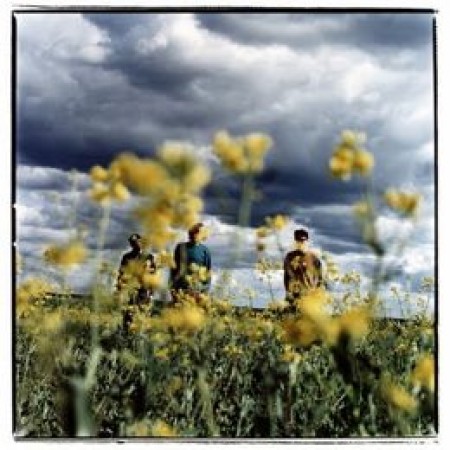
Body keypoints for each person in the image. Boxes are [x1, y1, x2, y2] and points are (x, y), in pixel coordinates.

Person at [117, 233, 156, 330]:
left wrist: (151, 292)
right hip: (130, 289)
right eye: (132, 242)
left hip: (144, 289)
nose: (135, 244)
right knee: (129, 313)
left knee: (143, 312)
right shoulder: (127, 257)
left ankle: (141, 333)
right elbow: (121, 273)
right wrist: (120, 288)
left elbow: (153, 274)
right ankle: (127, 332)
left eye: (137, 242)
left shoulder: (149, 257)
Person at [169, 223, 212, 303]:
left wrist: (204, 292)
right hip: (180, 289)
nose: (195, 234)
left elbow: (208, 273)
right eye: (194, 232)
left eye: (198, 232)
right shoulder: (180, 247)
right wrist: (172, 288)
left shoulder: (205, 251)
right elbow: (173, 268)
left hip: (197, 290)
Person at [283, 228, 323, 306]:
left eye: (303, 240)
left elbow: (320, 278)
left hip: (309, 296)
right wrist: (288, 292)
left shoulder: (314, 258)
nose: (301, 242)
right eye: (298, 240)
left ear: (307, 241)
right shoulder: (289, 257)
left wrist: (316, 294)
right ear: (295, 241)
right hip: (294, 295)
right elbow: (286, 276)